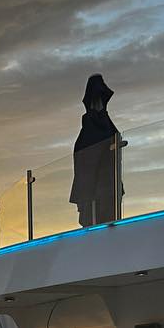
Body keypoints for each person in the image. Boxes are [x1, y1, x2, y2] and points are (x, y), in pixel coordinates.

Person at [69, 74, 122, 226]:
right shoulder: (91, 129)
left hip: (108, 188)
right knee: (99, 223)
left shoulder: (103, 125)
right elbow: (83, 165)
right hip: (95, 193)